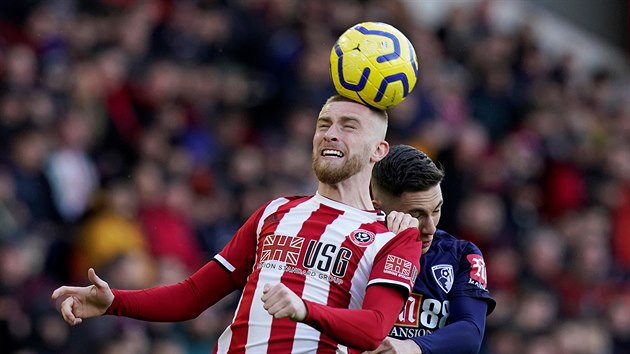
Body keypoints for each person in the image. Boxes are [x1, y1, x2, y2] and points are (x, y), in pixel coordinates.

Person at [51, 95, 424, 354]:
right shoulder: (275, 212)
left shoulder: (393, 235)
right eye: (324, 124)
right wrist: (115, 301)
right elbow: (194, 295)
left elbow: (374, 326)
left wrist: (305, 309)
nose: (330, 133)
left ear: (378, 150)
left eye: (348, 126)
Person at [366, 144, 496, 354]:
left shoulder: (461, 255)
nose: (431, 228)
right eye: (416, 215)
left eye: (436, 209)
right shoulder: (354, 247)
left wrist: (411, 347)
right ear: (377, 207)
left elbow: (470, 333)